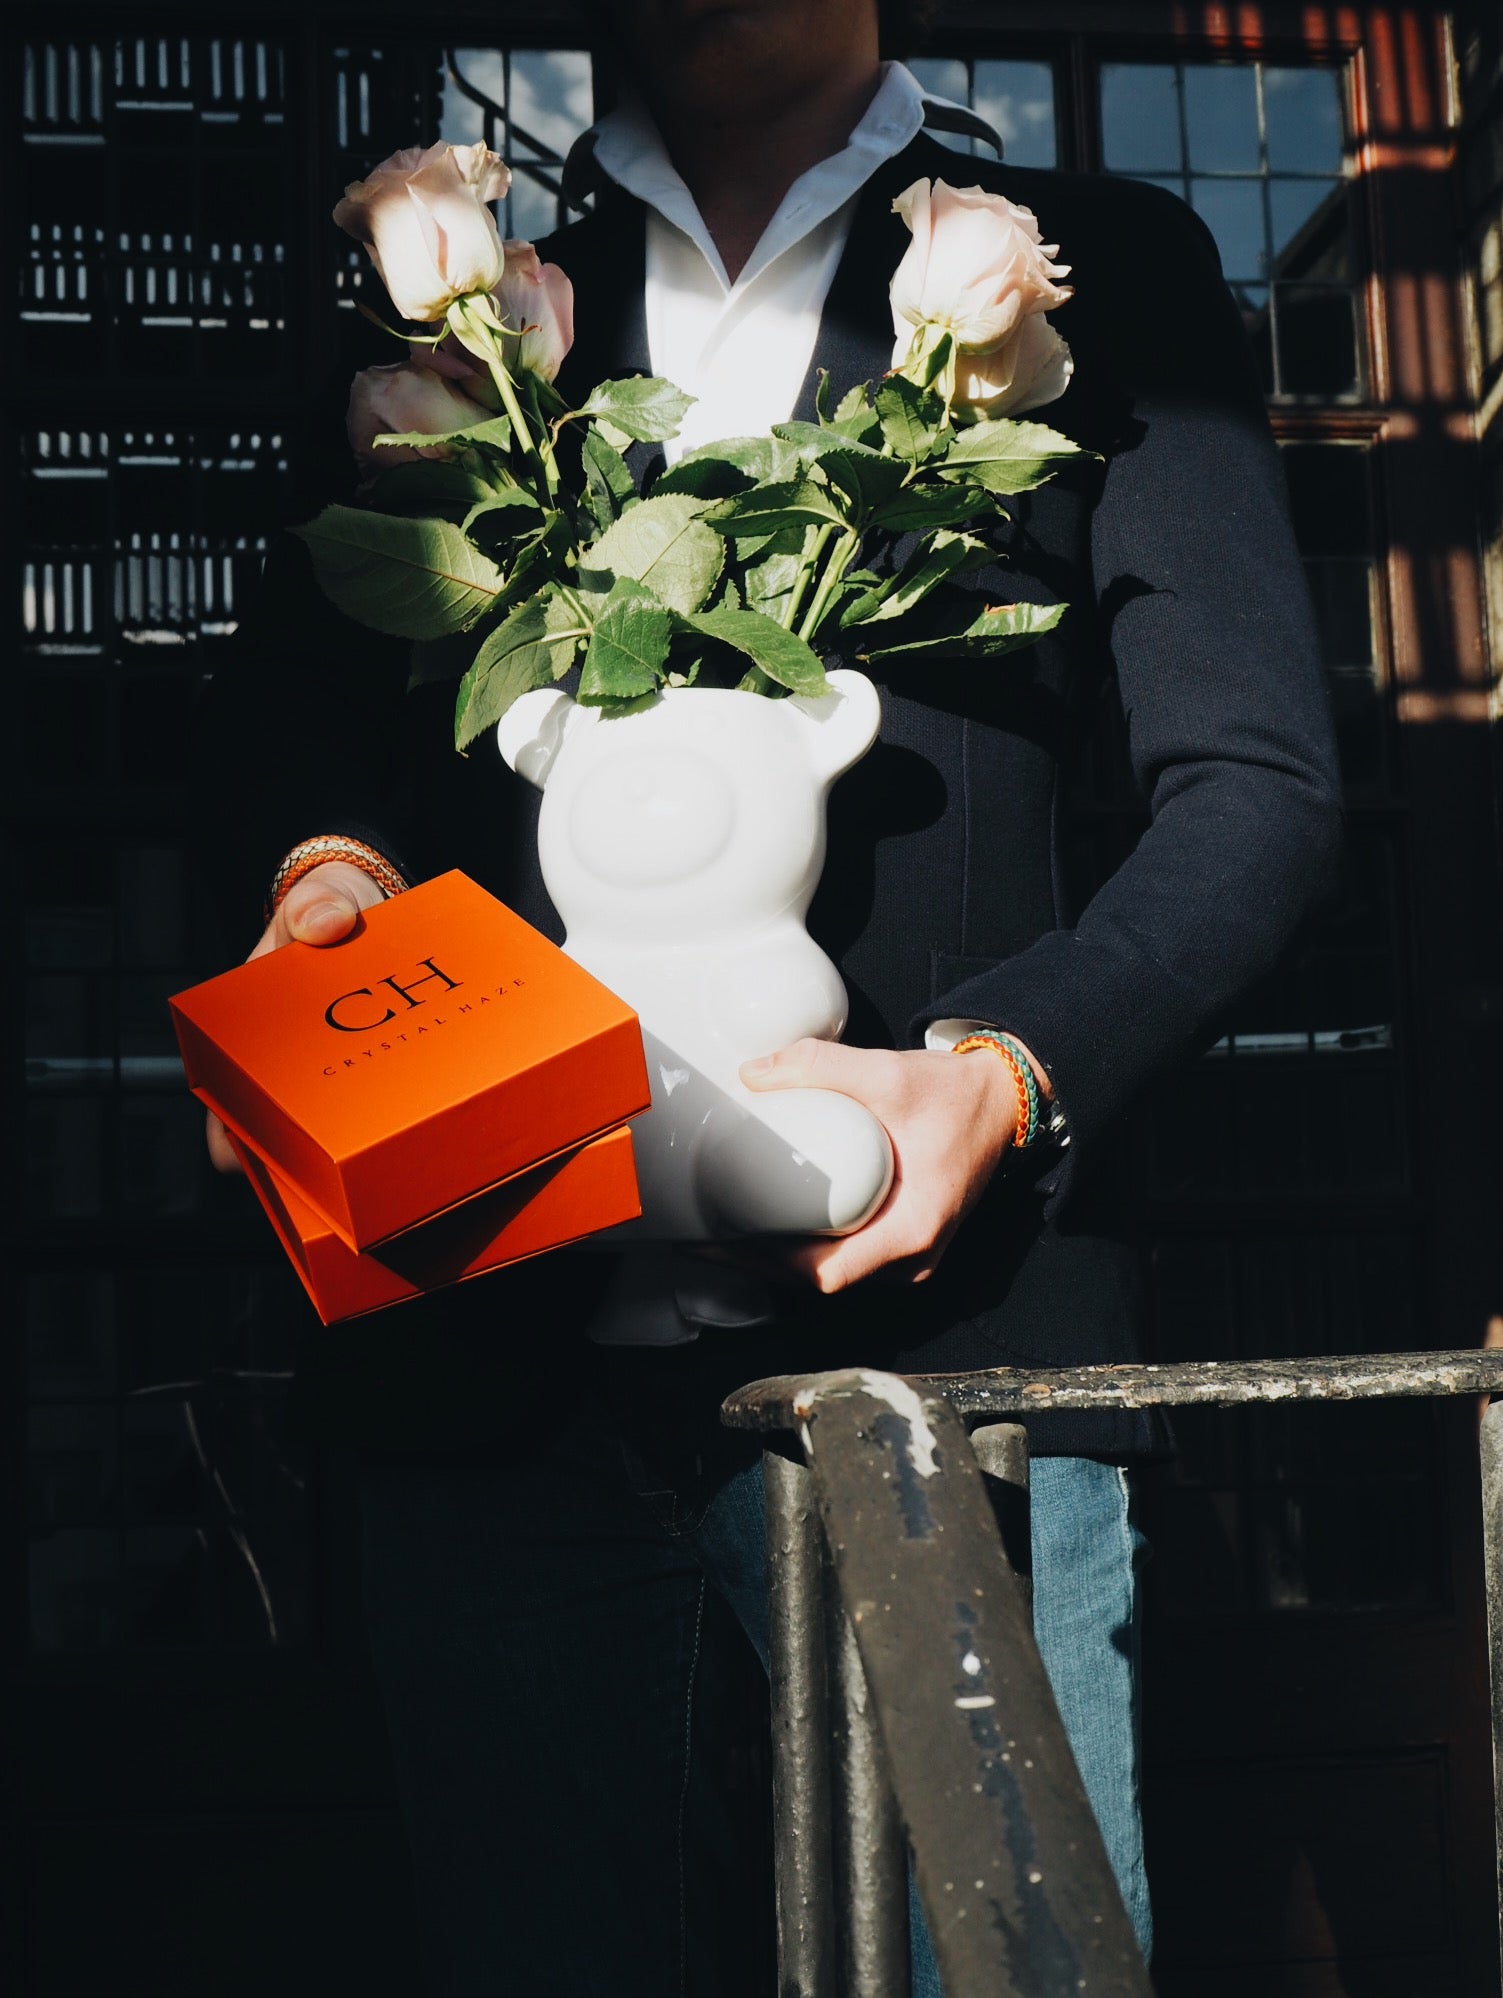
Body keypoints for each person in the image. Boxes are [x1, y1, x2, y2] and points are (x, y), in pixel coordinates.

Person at [197, 0, 1344, 1990]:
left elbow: (1253, 790)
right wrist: (329, 883)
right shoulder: (484, 310)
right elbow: (301, 716)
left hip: (949, 1359)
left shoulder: (1099, 267)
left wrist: (1008, 1070)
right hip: (491, 1378)